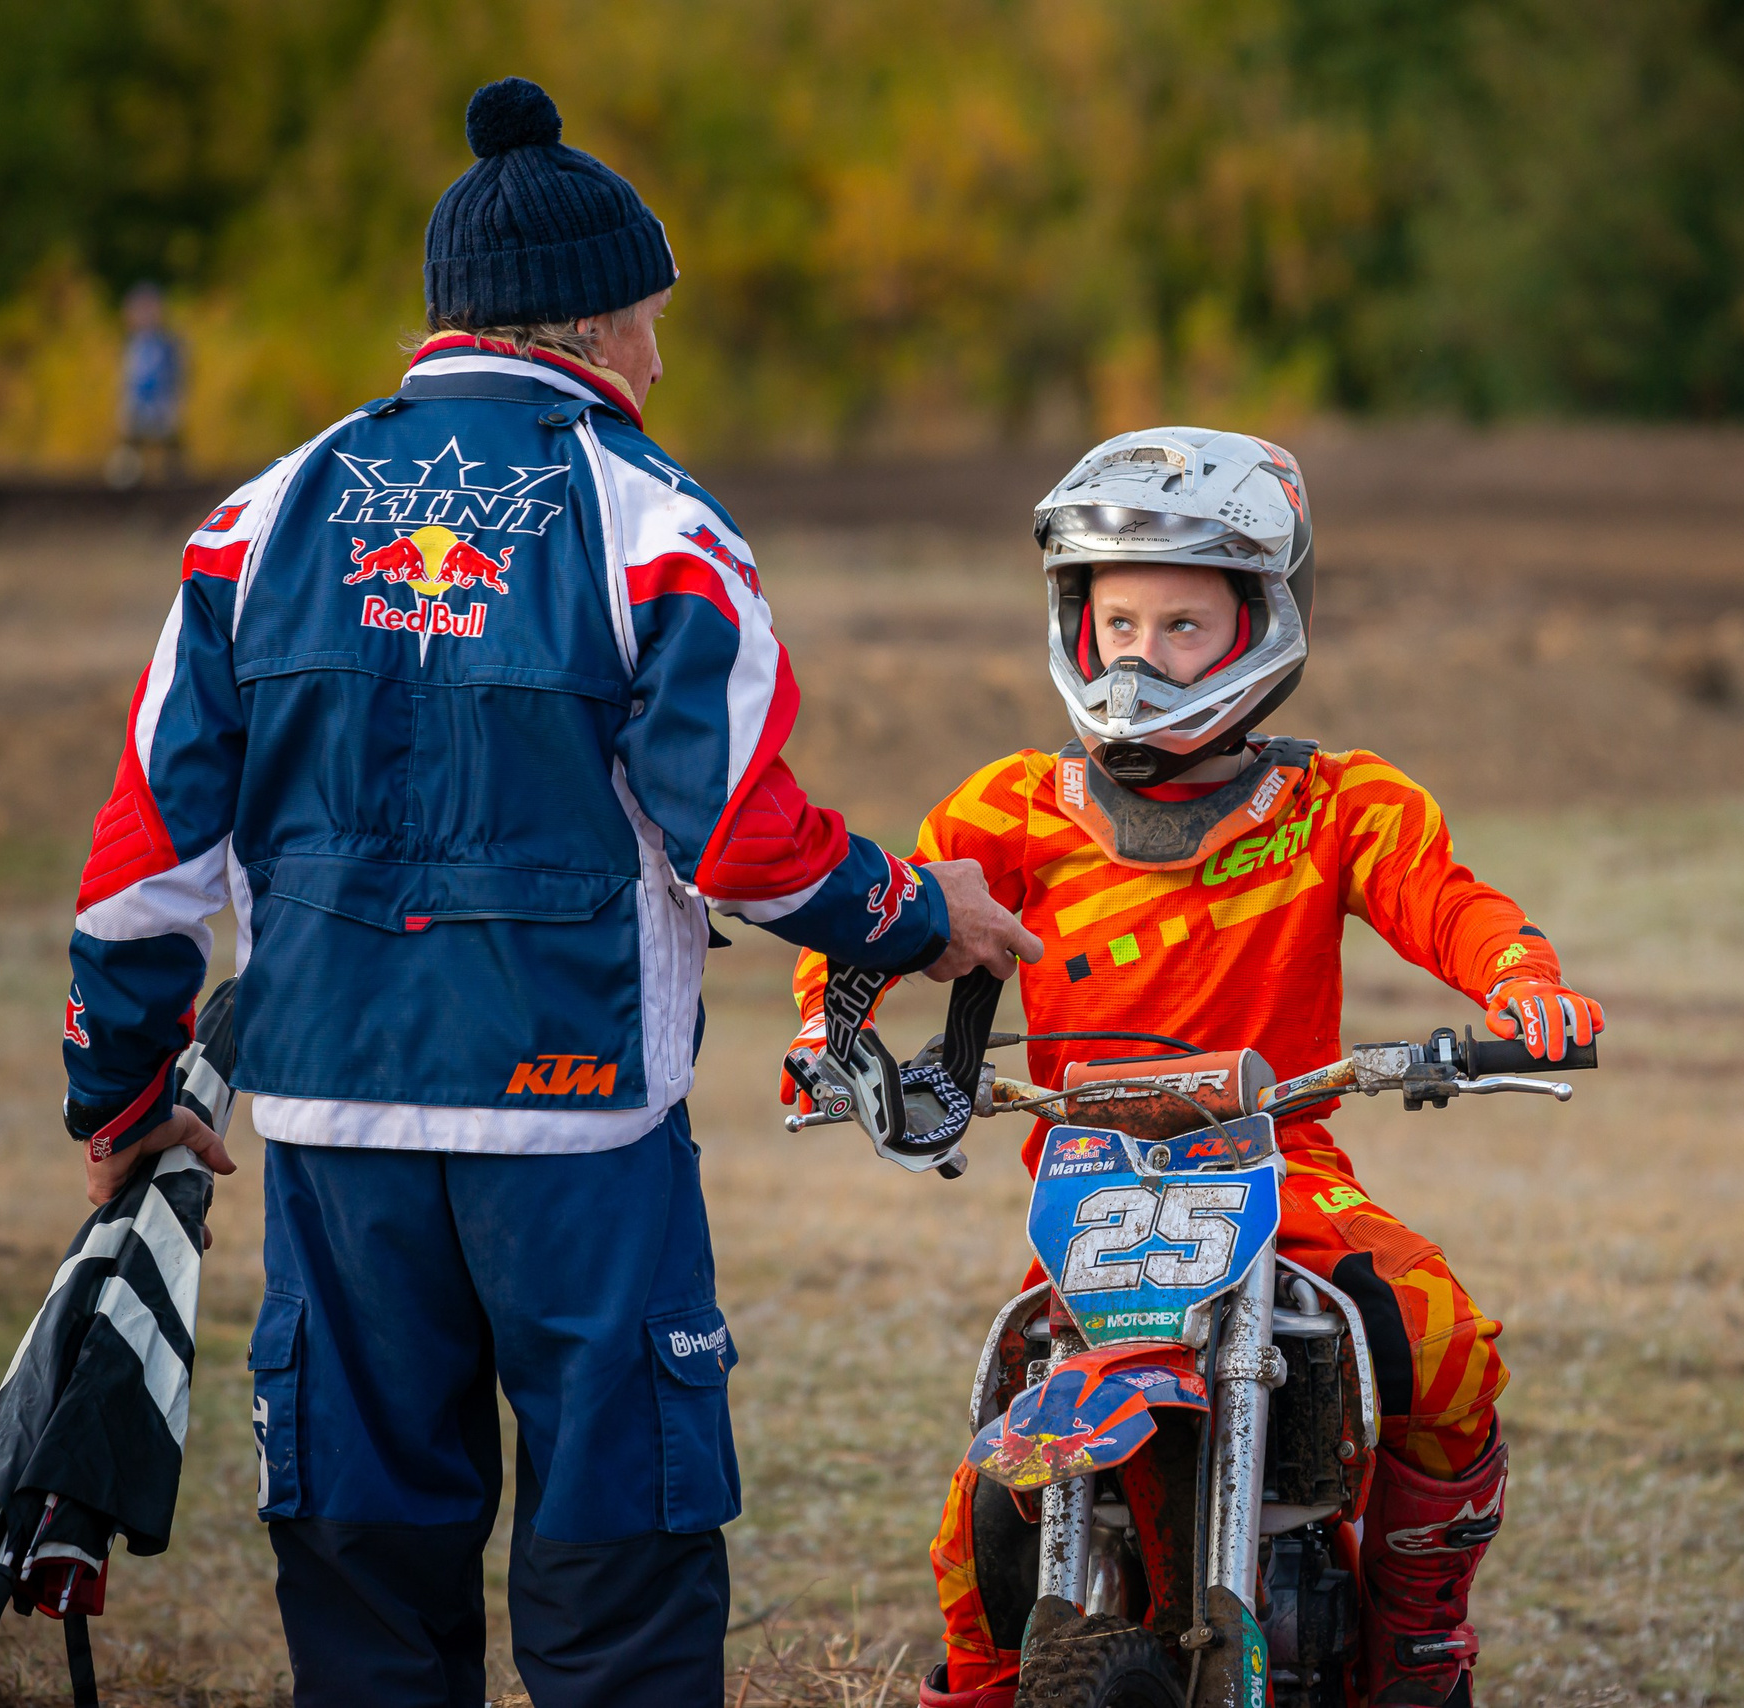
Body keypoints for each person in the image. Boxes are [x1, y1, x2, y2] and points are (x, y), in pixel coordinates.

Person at [57, 77, 1037, 1708]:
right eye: (650, 322)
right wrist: (920, 915)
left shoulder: (253, 522)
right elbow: (737, 834)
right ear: (585, 322)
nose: (658, 361)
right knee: (621, 1599)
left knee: (367, 1589)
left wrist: (121, 1099)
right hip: (578, 1139)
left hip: (326, 1131)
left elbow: (141, 872)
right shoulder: (658, 527)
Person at [780, 428, 1604, 1708]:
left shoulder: (1340, 804)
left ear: (1261, 621)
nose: (1137, 656)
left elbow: (1446, 902)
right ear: (1071, 618)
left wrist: (1523, 984)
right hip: (1091, 1195)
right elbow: (876, 918)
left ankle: (1420, 1634)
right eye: (1115, 621)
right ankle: (984, 1685)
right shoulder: (1007, 809)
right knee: (974, 1506)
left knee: (1439, 1343)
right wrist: (824, 1034)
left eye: (1179, 626)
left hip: (1284, 1172)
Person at [109, 282, 184, 487]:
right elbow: (128, 380)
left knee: (170, 444)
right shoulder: (134, 344)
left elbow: (175, 376)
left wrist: (173, 404)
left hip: (161, 405)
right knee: (130, 446)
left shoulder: (167, 343)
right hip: (138, 406)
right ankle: (127, 481)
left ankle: (176, 481)